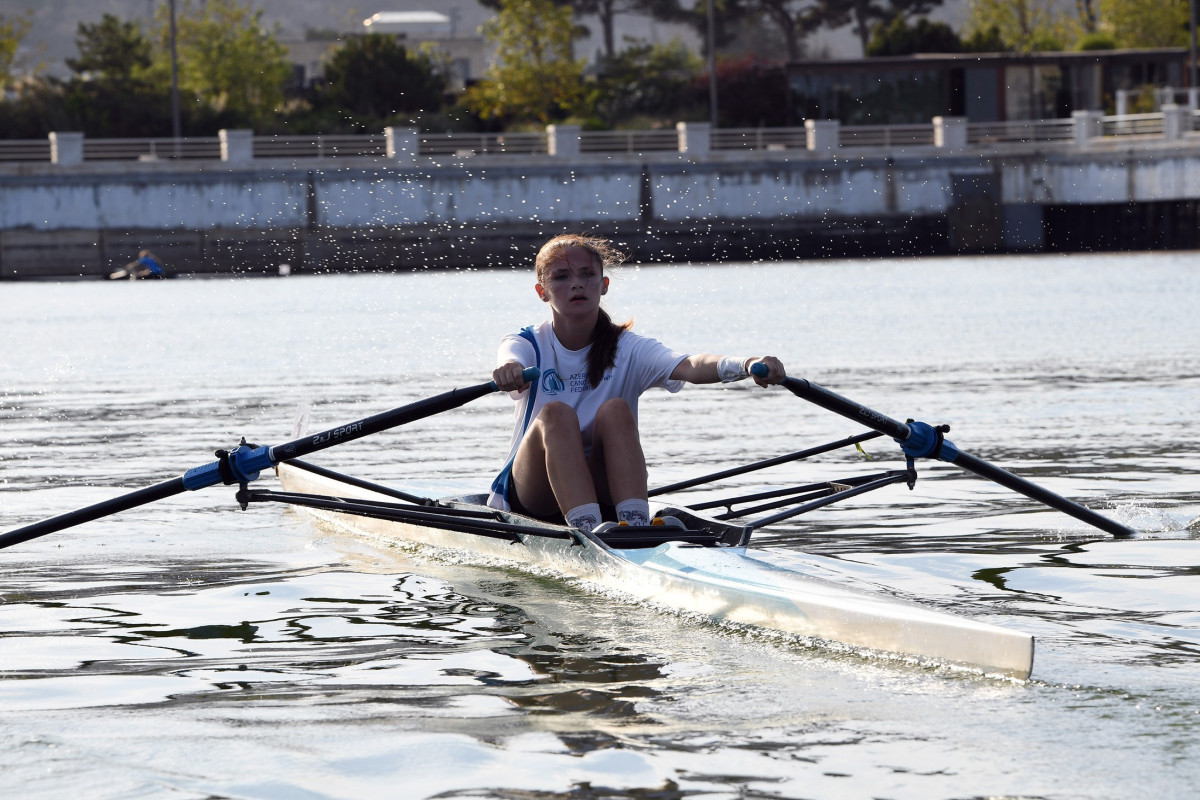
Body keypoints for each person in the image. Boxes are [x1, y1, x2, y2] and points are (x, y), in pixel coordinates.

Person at [488, 233, 786, 532]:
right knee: (556, 413)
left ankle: (634, 525)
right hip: (534, 494)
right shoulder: (527, 343)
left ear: (603, 286)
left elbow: (691, 365)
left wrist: (746, 364)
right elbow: (510, 357)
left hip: (602, 487)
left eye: (587, 274)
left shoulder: (629, 348)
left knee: (616, 409)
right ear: (542, 291)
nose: (577, 284)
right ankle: (588, 531)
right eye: (562, 277)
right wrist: (509, 369)